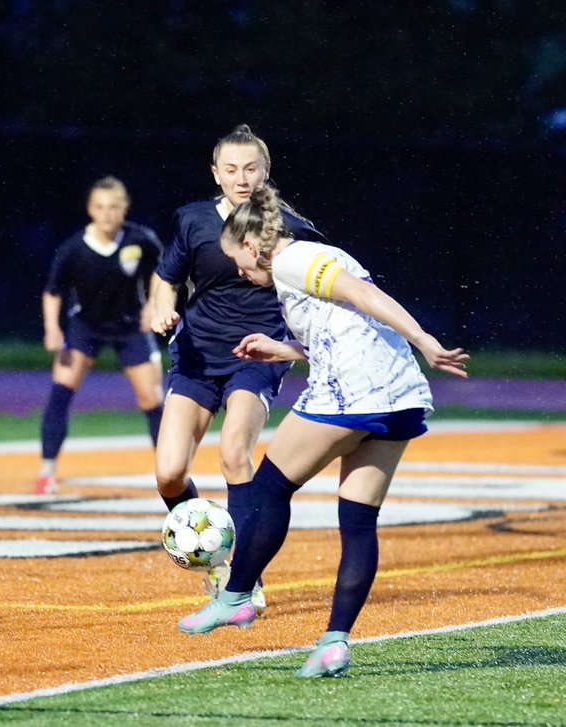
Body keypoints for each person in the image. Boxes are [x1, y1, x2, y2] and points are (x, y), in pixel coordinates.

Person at [175, 185, 469, 678]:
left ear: (252, 246)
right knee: (357, 523)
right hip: (399, 398)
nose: (243, 275)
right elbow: (352, 329)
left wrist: (425, 340)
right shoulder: (313, 259)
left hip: (353, 394)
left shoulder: (292, 260)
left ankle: (236, 596)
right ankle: (335, 643)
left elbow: (365, 296)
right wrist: (283, 349)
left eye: (239, 264)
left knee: (269, 486)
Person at [150, 124, 328, 610]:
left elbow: (329, 287)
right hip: (195, 355)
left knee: (234, 453)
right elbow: (166, 279)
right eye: (231, 169)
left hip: (256, 357)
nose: (241, 177)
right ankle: (218, 562)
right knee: (168, 474)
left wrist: (294, 345)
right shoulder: (192, 220)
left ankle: (244, 578)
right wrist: (160, 308)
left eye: (251, 168)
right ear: (215, 173)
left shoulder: (292, 229)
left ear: (265, 171)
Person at [35, 176, 165, 495]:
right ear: (90, 210)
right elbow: (53, 292)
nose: (107, 214)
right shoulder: (74, 248)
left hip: (130, 327)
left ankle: (168, 471)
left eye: (114, 207)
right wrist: (52, 328)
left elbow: (163, 273)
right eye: (100, 207)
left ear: (124, 209)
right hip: (85, 327)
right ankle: (46, 472)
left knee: (152, 398)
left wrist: (153, 306)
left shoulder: (141, 240)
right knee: (62, 390)